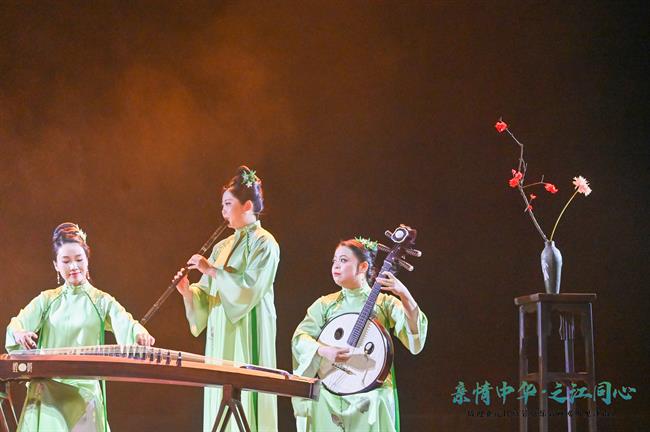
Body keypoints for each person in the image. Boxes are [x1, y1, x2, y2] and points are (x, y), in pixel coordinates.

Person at [5, 222, 155, 432]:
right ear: (56, 265)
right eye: (66, 261)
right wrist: (19, 333)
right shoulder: (47, 300)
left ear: (87, 260)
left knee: (85, 405)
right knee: (42, 392)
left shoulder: (101, 301)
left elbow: (126, 322)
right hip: (48, 386)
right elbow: (16, 324)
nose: (73, 266)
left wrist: (139, 334)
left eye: (78, 259)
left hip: (85, 387)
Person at [175, 166, 279, 432]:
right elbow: (206, 293)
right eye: (222, 205)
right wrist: (188, 291)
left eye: (228, 204)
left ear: (247, 205)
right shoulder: (221, 246)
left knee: (247, 392)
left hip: (248, 325)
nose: (223, 211)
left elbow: (249, 289)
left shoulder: (265, 243)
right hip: (221, 330)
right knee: (218, 391)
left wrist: (211, 270)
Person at [291, 237, 428, 432]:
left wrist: (404, 294)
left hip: (370, 388)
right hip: (332, 386)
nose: (336, 265)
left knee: (376, 401)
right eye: (334, 260)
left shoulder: (384, 303)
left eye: (343, 260)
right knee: (313, 399)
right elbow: (300, 338)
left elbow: (414, 335)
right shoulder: (325, 304)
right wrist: (323, 350)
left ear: (363, 267)